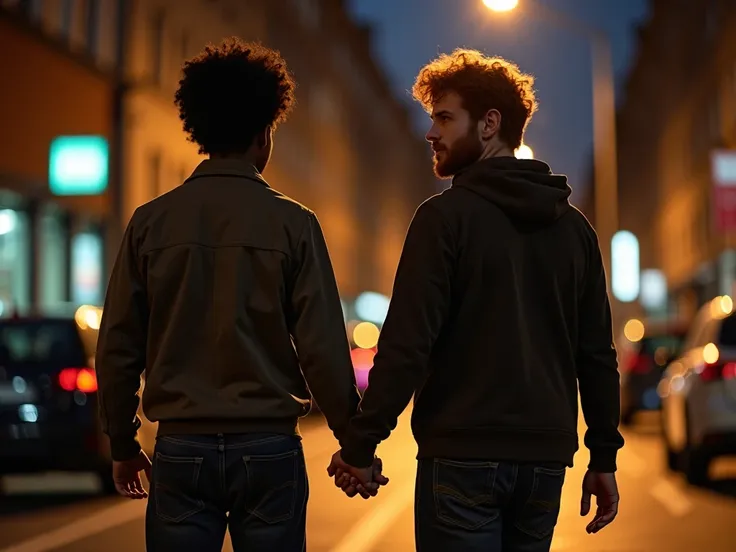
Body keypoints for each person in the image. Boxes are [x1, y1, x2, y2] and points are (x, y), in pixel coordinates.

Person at [328, 49, 623, 551]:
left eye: (444, 118)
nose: (431, 133)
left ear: (489, 124)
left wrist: (360, 445)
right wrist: (602, 459)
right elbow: (596, 356)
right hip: (542, 465)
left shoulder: (444, 220)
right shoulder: (575, 231)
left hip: (461, 460)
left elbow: (406, 347)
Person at [95, 38, 384, 552]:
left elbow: (118, 345)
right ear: (264, 133)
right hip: (269, 447)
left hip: (180, 447)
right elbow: (322, 349)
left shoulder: (150, 223)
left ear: (199, 130)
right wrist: (353, 443)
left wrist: (121, 441)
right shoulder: (294, 224)